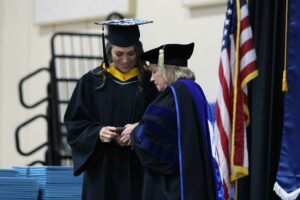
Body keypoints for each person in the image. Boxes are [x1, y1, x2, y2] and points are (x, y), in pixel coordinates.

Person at [64, 18, 158, 200]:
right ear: (108, 52)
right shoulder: (91, 82)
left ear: (138, 51)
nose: (125, 60)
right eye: (118, 54)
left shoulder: (150, 83)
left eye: (131, 54)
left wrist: (139, 129)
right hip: (103, 168)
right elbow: (74, 123)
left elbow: (160, 120)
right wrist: (97, 132)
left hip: (138, 166)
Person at [130, 43, 224, 200]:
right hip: (194, 177)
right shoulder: (192, 89)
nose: (152, 78)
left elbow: (154, 143)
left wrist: (134, 133)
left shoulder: (171, 95)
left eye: (154, 71)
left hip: (174, 186)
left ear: (167, 70)